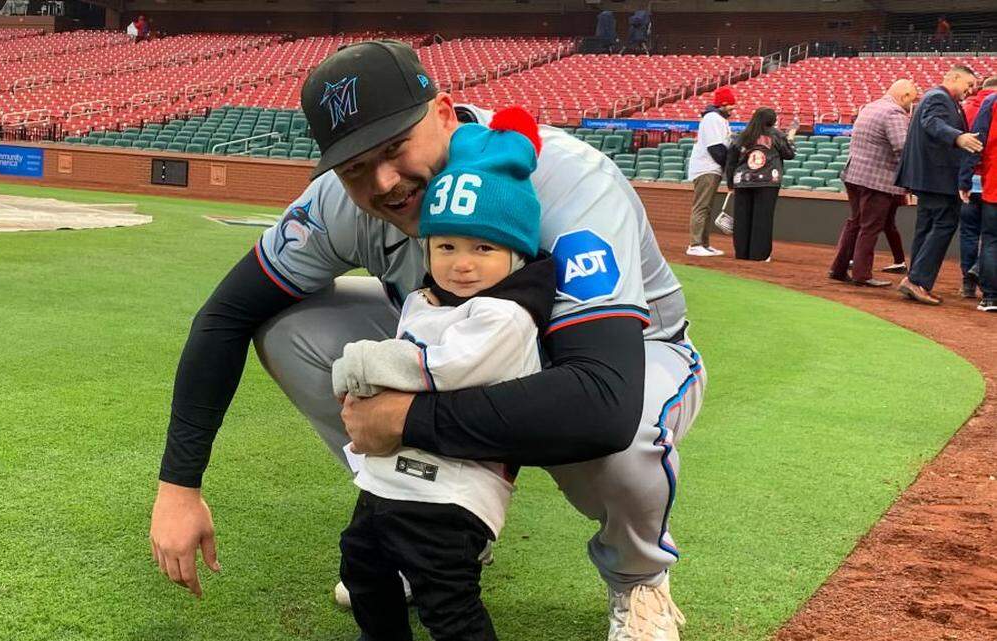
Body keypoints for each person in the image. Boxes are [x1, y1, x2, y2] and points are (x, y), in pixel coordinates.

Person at [149, 40, 706, 641]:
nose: (384, 180)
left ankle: (638, 575)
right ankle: (428, 520)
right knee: (291, 329)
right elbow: (226, 314)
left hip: (626, 356)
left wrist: (407, 420)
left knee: (620, 445)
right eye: (356, 165)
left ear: (443, 112)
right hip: (462, 351)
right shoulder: (340, 200)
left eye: (395, 147)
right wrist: (179, 485)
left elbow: (602, 403)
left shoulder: (566, 181)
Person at [334, 108, 552, 641]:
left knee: (447, 600)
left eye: (484, 248)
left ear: (515, 252)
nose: (462, 264)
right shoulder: (429, 299)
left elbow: (443, 368)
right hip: (393, 478)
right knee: (361, 565)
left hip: (451, 493)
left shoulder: (506, 316)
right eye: (447, 246)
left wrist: (363, 364)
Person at [895, 65, 982, 305]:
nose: (970, 90)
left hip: (932, 178)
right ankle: (917, 280)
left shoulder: (943, 99)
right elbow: (932, 122)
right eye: (968, 84)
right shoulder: (938, 97)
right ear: (954, 77)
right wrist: (958, 136)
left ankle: (916, 280)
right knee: (944, 223)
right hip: (936, 178)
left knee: (926, 226)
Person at [828, 79, 919, 287]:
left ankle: (838, 268)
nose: (910, 105)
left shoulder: (870, 106)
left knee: (855, 222)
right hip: (877, 180)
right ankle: (862, 274)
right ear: (904, 96)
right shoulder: (894, 113)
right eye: (911, 100)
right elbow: (902, 147)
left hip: (854, 174)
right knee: (870, 227)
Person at [724, 108, 796, 261]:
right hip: (767, 182)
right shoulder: (776, 135)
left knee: (742, 219)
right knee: (762, 219)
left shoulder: (742, 136)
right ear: (772, 120)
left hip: (743, 181)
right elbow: (789, 154)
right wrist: (791, 136)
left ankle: (742, 253)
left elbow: (731, 161)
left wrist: (730, 183)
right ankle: (759, 254)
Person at [958, 78, 997, 312]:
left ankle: (989, 295)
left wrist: (964, 179)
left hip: (991, 184)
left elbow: (976, 143)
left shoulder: (990, 102)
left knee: (989, 238)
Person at [686, 86, 736, 257]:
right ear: (722, 104)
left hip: (711, 168)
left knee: (706, 207)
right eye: (730, 105)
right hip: (706, 167)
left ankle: (704, 243)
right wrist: (729, 167)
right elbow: (716, 148)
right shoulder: (712, 118)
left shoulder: (719, 119)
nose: (732, 108)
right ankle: (695, 244)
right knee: (701, 206)